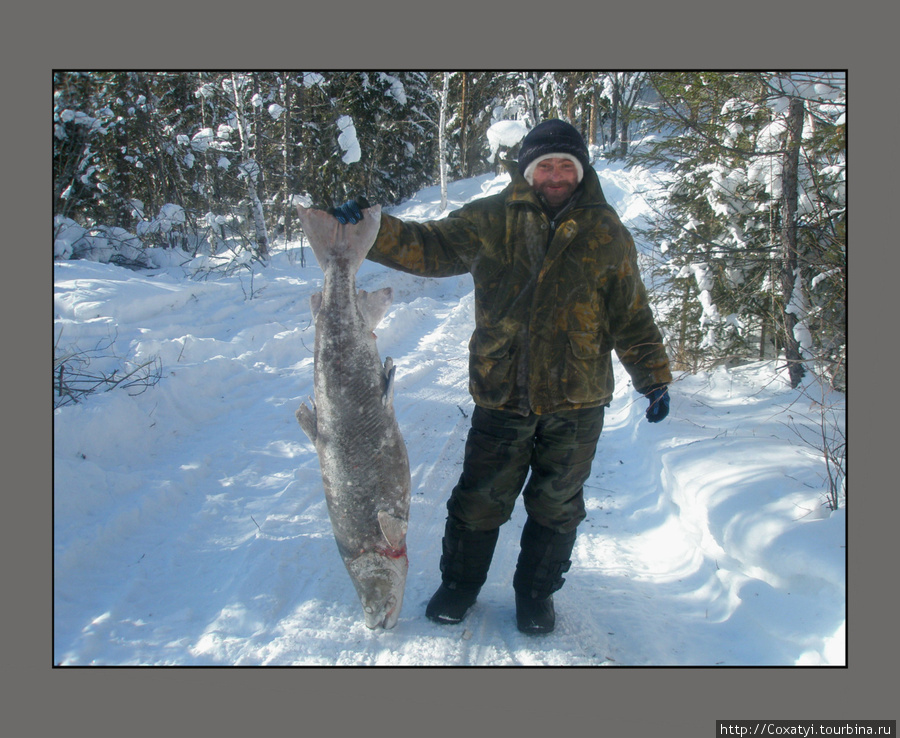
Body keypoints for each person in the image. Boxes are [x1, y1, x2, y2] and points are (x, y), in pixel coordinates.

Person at [328, 119, 672, 635]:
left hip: (577, 401)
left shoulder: (607, 233)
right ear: (528, 170)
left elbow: (631, 313)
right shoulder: (493, 219)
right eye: (545, 166)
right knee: (479, 500)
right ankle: (459, 586)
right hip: (502, 392)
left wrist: (653, 377)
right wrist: (373, 230)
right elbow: (432, 245)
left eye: (566, 166)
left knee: (557, 508)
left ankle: (535, 596)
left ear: (580, 170)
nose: (556, 176)